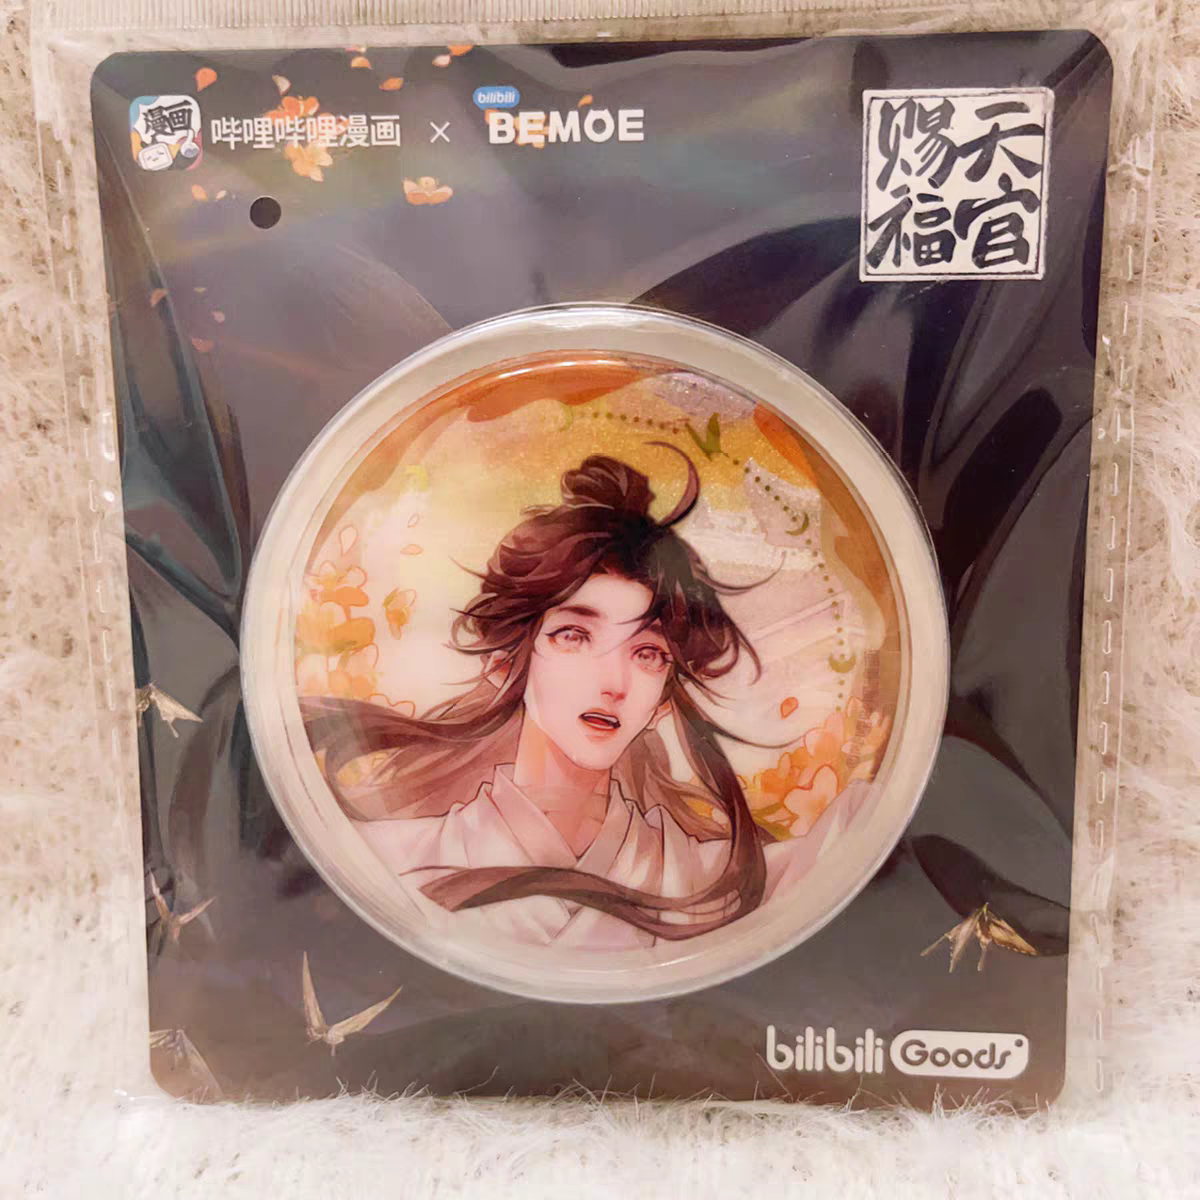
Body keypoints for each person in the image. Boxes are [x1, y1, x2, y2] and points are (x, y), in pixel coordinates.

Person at [301, 450, 865, 949]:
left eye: (648, 653)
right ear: (504, 666)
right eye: (574, 635)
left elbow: (863, 825)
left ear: (663, 702)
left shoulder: (709, 881)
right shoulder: (388, 858)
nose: (614, 681)